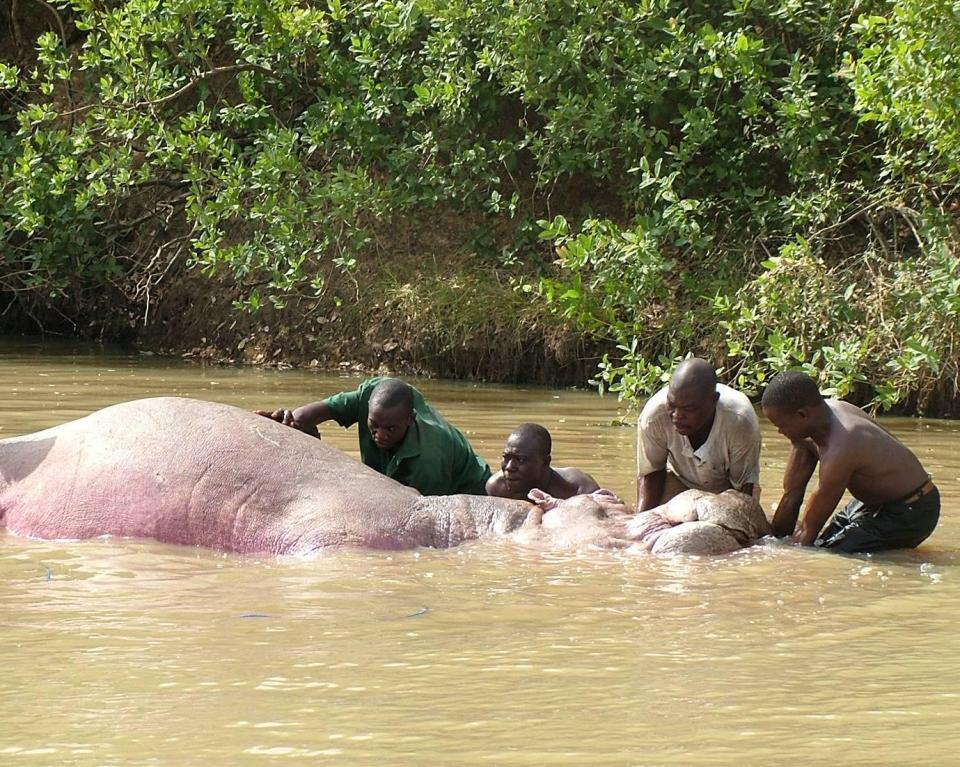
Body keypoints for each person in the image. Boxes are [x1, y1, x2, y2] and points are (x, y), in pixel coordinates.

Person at [761, 371, 939, 553]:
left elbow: (807, 531)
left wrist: (782, 563)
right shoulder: (809, 428)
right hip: (872, 504)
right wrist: (771, 542)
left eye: (781, 426)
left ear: (802, 415)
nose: (779, 432)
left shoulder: (842, 445)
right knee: (823, 543)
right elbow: (791, 495)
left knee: (830, 554)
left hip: (912, 510)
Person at [256, 376, 491, 496]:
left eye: (390, 429)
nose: (380, 435)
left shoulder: (429, 458)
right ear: (368, 407)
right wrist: (289, 421)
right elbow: (322, 410)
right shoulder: (372, 394)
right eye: (373, 425)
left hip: (467, 489)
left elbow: (418, 510)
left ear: (410, 419)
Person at [636, 357, 761, 511]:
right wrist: (642, 521)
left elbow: (743, 488)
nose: (676, 415)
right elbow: (651, 473)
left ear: (714, 400)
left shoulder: (740, 420)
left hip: (728, 491)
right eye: (672, 404)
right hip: (679, 481)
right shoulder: (654, 416)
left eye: (688, 409)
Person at [486, 423, 600, 501]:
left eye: (520, 460)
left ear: (545, 462)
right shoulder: (496, 488)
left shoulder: (579, 490)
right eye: (506, 457)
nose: (509, 467)